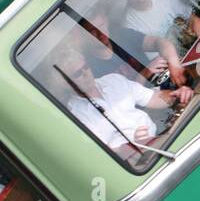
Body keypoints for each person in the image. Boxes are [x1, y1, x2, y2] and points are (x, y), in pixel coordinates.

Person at [54, 48, 192, 157]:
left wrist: (177, 94)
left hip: (162, 138)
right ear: (66, 83)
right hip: (138, 162)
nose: (86, 73)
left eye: (85, 67)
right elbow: (102, 155)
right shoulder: (75, 115)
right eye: (78, 73)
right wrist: (131, 147)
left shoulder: (113, 80)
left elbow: (154, 98)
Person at [83, 2, 188, 87]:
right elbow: (124, 104)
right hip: (147, 108)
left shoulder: (121, 35)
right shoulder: (90, 68)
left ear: (106, 21)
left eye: (101, 25)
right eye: (92, 31)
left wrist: (174, 63)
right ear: (83, 35)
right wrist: (143, 75)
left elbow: (158, 42)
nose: (100, 33)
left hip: (164, 87)